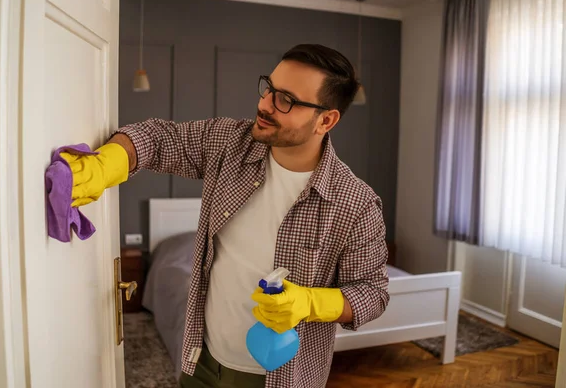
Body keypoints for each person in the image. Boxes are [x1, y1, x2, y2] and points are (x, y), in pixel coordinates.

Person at [61, 43, 390, 388]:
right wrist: (107, 162)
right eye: (269, 88)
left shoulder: (357, 203)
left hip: (282, 377)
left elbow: (373, 293)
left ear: (326, 119)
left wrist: (311, 302)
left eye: (286, 100)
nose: (264, 104)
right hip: (200, 359)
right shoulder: (229, 144)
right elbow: (158, 138)